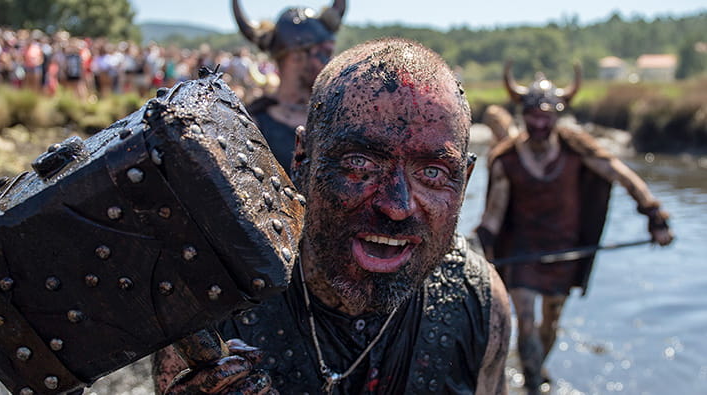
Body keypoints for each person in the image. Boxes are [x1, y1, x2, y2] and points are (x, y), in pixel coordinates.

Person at [152, 38, 511, 395]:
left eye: (432, 172)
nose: (397, 206)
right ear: (302, 159)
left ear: (464, 182)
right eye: (360, 163)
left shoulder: (477, 301)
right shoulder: (214, 301)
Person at [476, 62, 674, 394]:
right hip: (521, 251)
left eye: (546, 117)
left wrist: (655, 216)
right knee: (524, 319)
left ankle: (533, 372)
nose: (540, 124)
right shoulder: (507, 159)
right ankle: (535, 381)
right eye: (533, 117)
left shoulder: (575, 148)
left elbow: (619, 173)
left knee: (551, 321)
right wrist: (480, 246)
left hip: (564, 250)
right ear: (523, 115)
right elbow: (494, 213)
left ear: (556, 117)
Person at [231, 0, 346, 175]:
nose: (331, 64)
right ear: (296, 57)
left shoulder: (338, 115)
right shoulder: (253, 125)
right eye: (325, 54)